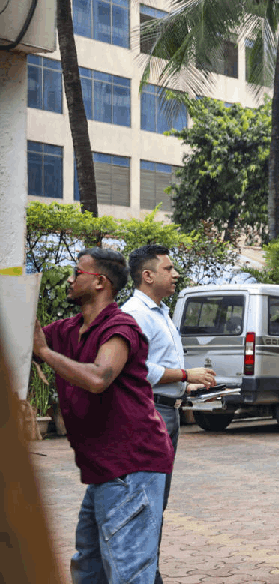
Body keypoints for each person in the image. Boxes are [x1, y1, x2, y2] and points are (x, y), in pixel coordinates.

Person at [32, 247, 174, 584]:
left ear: (99, 282)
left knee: (127, 572)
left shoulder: (120, 326)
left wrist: (45, 353)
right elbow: (26, 341)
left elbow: (99, 377)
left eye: (77, 273)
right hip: (103, 469)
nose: (70, 279)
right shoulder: (69, 329)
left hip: (132, 467)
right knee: (90, 568)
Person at [122, 244, 216, 583]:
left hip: (167, 410)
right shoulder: (134, 314)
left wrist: (185, 387)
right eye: (168, 269)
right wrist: (185, 374)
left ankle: (148, 572)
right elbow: (135, 368)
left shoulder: (160, 312)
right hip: (149, 413)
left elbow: (158, 366)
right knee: (144, 501)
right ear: (147, 276)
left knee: (156, 500)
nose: (175, 274)